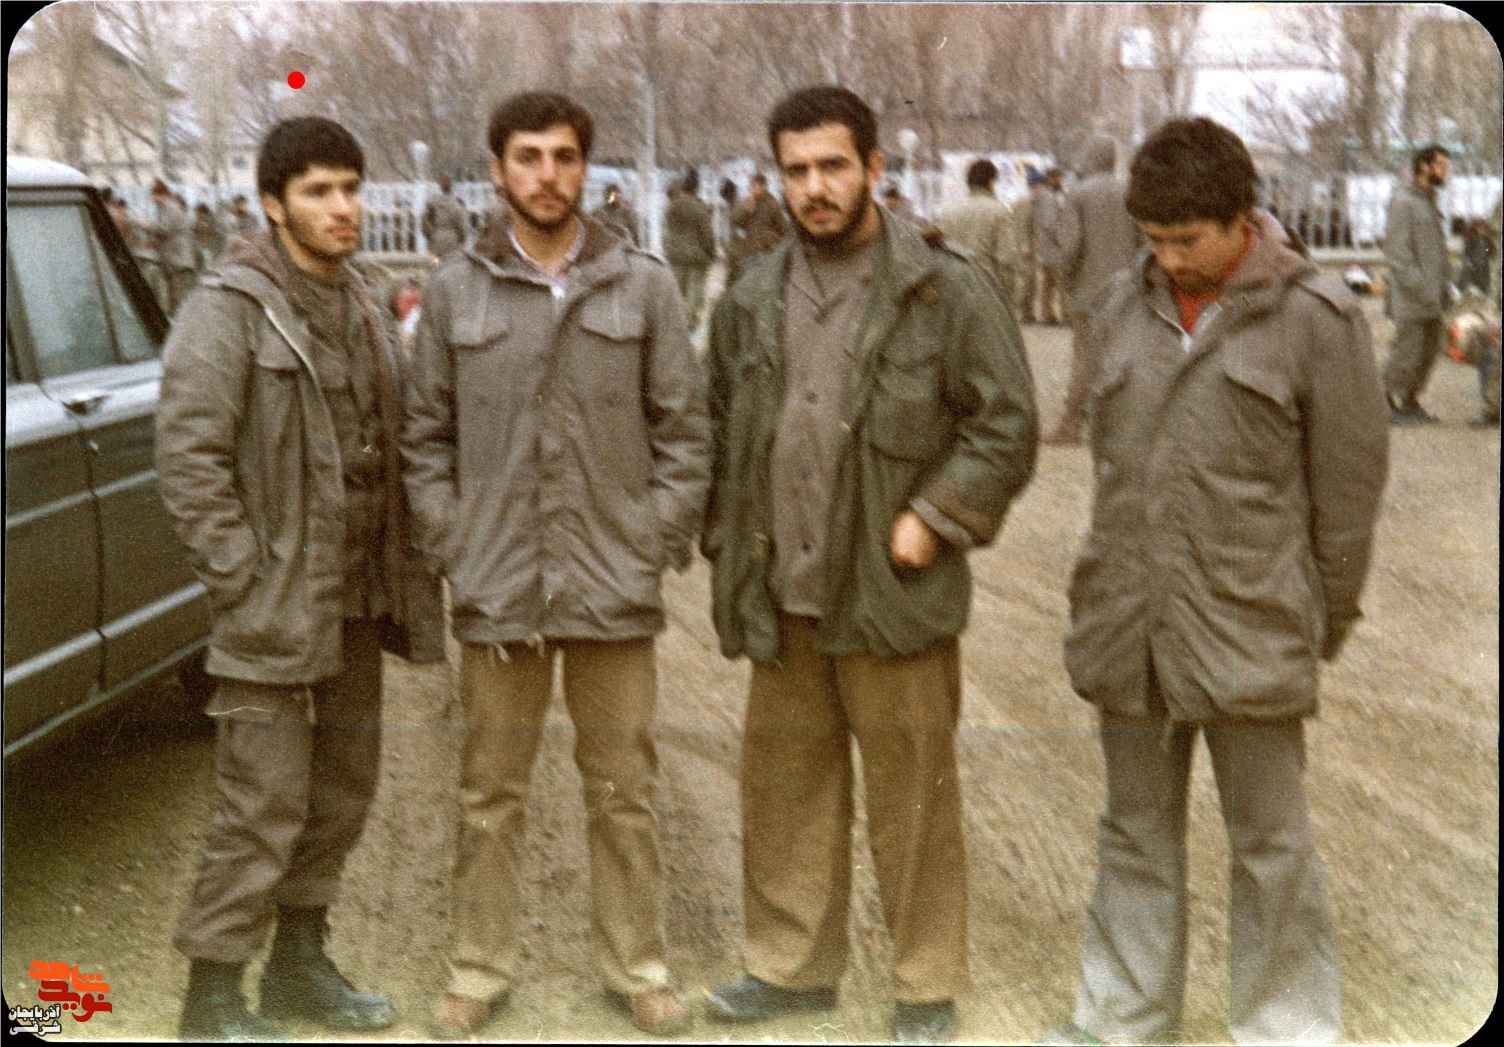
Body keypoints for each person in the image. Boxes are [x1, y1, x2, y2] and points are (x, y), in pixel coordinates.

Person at [702, 85, 1038, 1045]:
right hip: (782, 593)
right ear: (778, 177)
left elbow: (1006, 422)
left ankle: (924, 985)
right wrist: (728, 536)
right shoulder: (751, 294)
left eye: (833, 167)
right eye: (796, 170)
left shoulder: (944, 287)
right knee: (784, 790)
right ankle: (791, 968)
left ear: (874, 169)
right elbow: (716, 422)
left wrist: (934, 517)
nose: (814, 187)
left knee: (912, 795)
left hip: (892, 591)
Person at [1043, 117, 1388, 1047]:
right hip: (1128, 625)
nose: (1167, 258)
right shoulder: (1118, 305)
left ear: (1244, 218)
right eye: (1152, 239)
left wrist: (1318, 617)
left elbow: (1348, 496)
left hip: (1253, 624)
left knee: (1271, 844)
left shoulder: (1317, 320)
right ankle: (1121, 1017)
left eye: (1186, 240)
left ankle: (1285, 1026)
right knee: (1133, 831)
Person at [402, 91, 708, 1040]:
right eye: (528, 157)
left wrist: (651, 537)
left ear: (586, 168)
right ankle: (478, 968)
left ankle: (638, 966)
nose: (547, 175)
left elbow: (685, 433)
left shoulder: (642, 285)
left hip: (613, 582)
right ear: (497, 170)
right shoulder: (455, 290)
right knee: (490, 793)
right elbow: (424, 438)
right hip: (498, 584)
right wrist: (455, 541)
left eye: (565, 156)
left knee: (624, 789)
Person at [157, 116, 446, 1041]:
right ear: (273, 204)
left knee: (343, 789)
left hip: (357, 600)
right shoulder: (230, 308)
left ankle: (297, 966)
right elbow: (190, 460)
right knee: (262, 799)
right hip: (272, 607)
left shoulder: (362, 300)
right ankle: (211, 996)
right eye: (318, 191)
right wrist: (241, 577)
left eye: (351, 188)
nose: (342, 207)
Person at [1047, 135, 1143, 445]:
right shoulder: (1130, 191)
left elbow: (1071, 247)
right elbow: (1144, 242)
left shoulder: (1078, 194)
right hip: (1127, 292)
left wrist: (1066, 281)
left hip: (1088, 293)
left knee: (1085, 359)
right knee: (1122, 358)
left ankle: (1071, 425)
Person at [1382, 144, 1452, 424]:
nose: (1446, 172)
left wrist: (1443, 288)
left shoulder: (1428, 200)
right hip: (1413, 297)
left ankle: (1410, 402)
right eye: (1441, 165)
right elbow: (1398, 254)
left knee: (1428, 352)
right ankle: (1384, 404)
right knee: (1406, 352)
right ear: (1424, 167)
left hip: (1434, 296)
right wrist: (1421, 288)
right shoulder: (1403, 201)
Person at [933, 157, 1022, 312]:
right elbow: (1006, 258)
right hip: (988, 294)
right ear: (990, 182)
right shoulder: (999, 212)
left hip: (954, 293)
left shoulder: (948, 212)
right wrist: (1008, 298)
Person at [663, 167, 716, 325]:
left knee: (677, 292)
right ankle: (689, 324)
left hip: (675, 256)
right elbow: (707, 235)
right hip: (696, 258)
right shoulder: (699, 207)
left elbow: (668, 230)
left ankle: (675, 323)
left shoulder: (672, 206)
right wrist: (711, 253)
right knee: (694, 294)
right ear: (697, 186)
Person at [727, 171, 788, 285]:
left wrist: (770, 237)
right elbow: (735, 223)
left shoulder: (772, 204)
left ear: (764, 187)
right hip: (749, 252)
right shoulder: (748, 202)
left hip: (766, 253)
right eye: (752, 187)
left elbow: (784, 230)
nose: (753, 190)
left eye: (756, 187)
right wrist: (746, 211)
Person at [148, 178, 199, 314]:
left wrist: (148, 226)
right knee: (174, 300)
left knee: (179, 301)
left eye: (154, 195)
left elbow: (163, 229)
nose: (153, 199)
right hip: (173, 262)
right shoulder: (165, 208)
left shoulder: (170, 207)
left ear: (161, 195)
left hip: (179, 262)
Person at [1032, 168, 1069, 325]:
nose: (1061, 182)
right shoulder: (1048, 197)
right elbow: (1050, 224)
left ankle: (1048, 315)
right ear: (1051, 179)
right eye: (1059, 178)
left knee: (1048, 283)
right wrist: (1064, 239)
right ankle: (1065, 315)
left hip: (1046, 248)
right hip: (1054, 249)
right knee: (1061, 284)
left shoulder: (1044, 196)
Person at [422, 175, 470, 259]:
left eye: (447, 182)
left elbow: (425, 222)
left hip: (442, 237)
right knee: (450, 262)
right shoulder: (456, 202)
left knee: (438, 262)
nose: (445, 184)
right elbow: (461, 224)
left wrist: (430, 235)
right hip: (448, 238)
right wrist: (462, 238)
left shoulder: (433, 202)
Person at [590, 182, 640, 246]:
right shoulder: (597, 212)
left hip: (623, 245)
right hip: (605, 245)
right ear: (606, 195)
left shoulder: (626, 213)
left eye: (618, 193)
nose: (616, 196)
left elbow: (634, 232)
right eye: (613, 194)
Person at [192, 201, 226, 269]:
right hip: (203, 247)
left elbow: (219, 234)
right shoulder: (198, 222)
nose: (196, 215)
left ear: (201, 212)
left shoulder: (211, 221)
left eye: (197, 213)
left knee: (209, 265)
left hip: (211, 248)